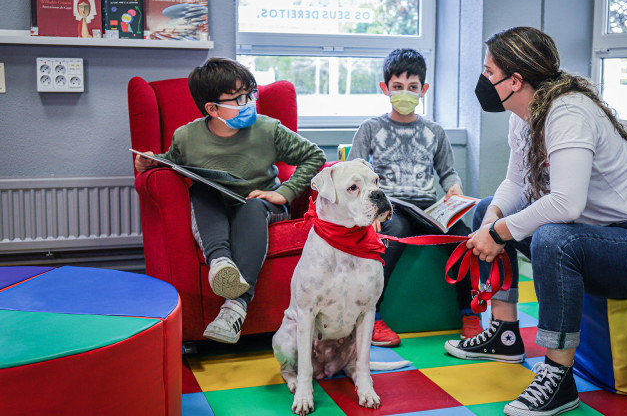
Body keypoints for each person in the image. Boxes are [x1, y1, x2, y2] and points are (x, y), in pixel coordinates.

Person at [444, 27, 627, 416]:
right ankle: (504, 334)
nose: (484, 80)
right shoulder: (523, 114)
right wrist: (491, 220)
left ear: (514, 80)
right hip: (596, 238)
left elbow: (567, 204)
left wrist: (500, 232)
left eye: (489, 72)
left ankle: (559, 376)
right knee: (487, 206)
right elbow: (516, 183)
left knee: (553, 238)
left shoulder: (568, 112)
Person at [135, 57, 326, 344]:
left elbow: (315, 156)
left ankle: (235, 307)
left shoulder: (268, 128)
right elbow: (172, 162)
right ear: (212, 108)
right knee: (201, 189)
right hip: (218, 205)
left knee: (251, 205)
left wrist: (285, 192)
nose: (248, 102)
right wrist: (150, 162)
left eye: (251, 94)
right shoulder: (186, 137)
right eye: (238, 98)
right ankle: (221, 263)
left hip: (262, 205)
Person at [347, 48, 484, 347]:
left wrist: (454, 188)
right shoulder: (371, 128)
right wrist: (368, 212)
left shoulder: (434, 131)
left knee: (463, 238)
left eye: (412, 88)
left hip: (428, 206)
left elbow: (448, 172)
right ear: (385, 88)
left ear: (424, 90)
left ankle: (470, 313)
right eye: (397, 87)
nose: (405, 93)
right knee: (392, 238)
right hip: (390, 206)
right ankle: (373, 315)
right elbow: (355, 173)